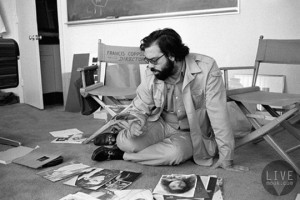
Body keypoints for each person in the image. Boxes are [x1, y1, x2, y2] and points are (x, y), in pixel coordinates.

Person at [92, 28, 247, 171]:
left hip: (191, 131)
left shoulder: (207, 68)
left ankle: (121, 154)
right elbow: (140, 105)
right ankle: (120, 141)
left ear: (172, 55)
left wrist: (227, 156)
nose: (150, 66)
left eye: (154, 60)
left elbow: (218, 114)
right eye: (147, 60)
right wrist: (136, 121)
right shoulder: (152, 71)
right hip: (161, 122)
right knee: (127, 142)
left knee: (174, 155)